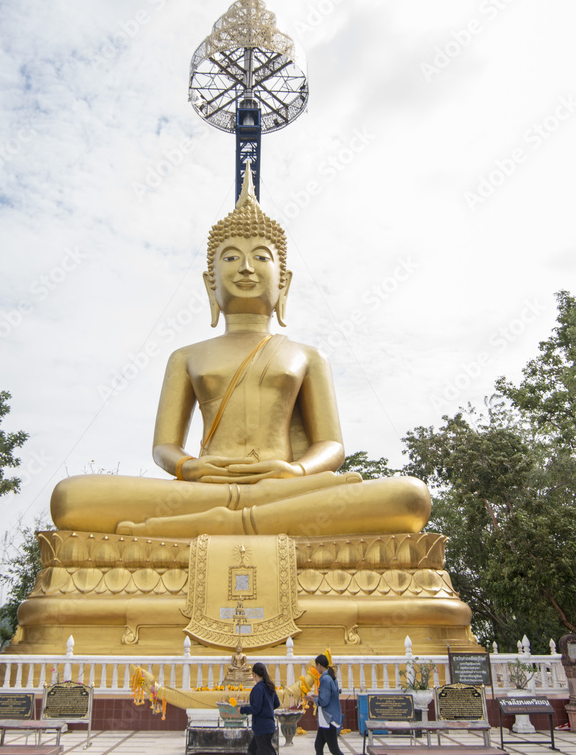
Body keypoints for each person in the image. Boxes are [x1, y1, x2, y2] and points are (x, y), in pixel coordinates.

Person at [50, 165, 431, 538]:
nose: (246, 268)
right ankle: (246, 519)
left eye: (261, 257)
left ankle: (223, 523)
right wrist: (188, 469)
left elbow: (330, 445)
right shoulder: (186, 357)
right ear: (209, 283)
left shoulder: (308, 356)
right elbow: (164, 446)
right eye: (231, 257)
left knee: (408, 496)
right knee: (71, 498)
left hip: (284, 487)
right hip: (204, 488)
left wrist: (294, 472)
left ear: (284, 283)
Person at [304, 653, 360, 755]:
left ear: (319, 665)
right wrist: (316, 695)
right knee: (318, 746)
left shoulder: (325, 679)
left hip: (328, 720)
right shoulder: (331, 678)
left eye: (316, 666)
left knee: (334, 750)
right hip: (327, 719)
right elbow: (328, 695)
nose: (316, 669)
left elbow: (324, 701)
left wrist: (311, 699)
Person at [237, 662, 287, 755]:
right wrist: (267, 709)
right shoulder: (269, 686)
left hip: (262, 728)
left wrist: (242, 709)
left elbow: (256, 708)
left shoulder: (258, 688)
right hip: (268, 725)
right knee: (253, 751)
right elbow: (276, 703)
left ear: (254, 674)